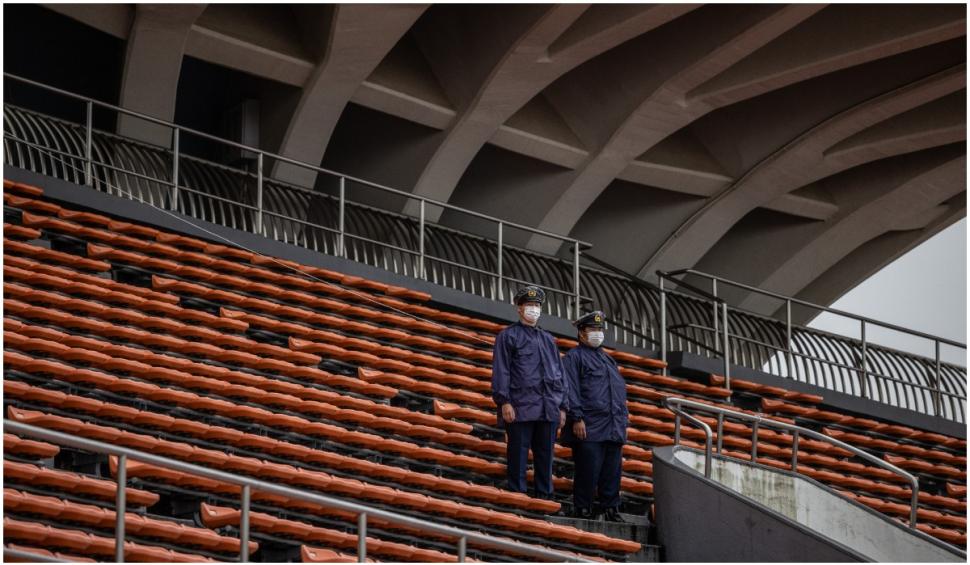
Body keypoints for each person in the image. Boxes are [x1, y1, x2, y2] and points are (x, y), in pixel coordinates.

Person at [491, 285, 568, 500]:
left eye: (537, 305)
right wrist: (504, 401)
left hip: (548, 408)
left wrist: (563, 406)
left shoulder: (548, 340)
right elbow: (502, 370)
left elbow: (560, 375)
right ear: (519, 308)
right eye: (529, 305)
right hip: (521, 406)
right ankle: (518, 495)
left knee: (546, 456)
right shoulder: (508, 336)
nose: (533, 309)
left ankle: (545, 497)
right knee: (518, 454)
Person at [562, 310, 629, 521]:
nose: (597, 333)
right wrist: (577, 418)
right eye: (593, 329)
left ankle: (611, 508)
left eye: (600, 329)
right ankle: (583, 507)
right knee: (588, 469)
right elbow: (570, 389)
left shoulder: (608, 360)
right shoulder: (574, 357)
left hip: (613, 425)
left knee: (612, 470)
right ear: (581, 333)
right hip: (589, 424)